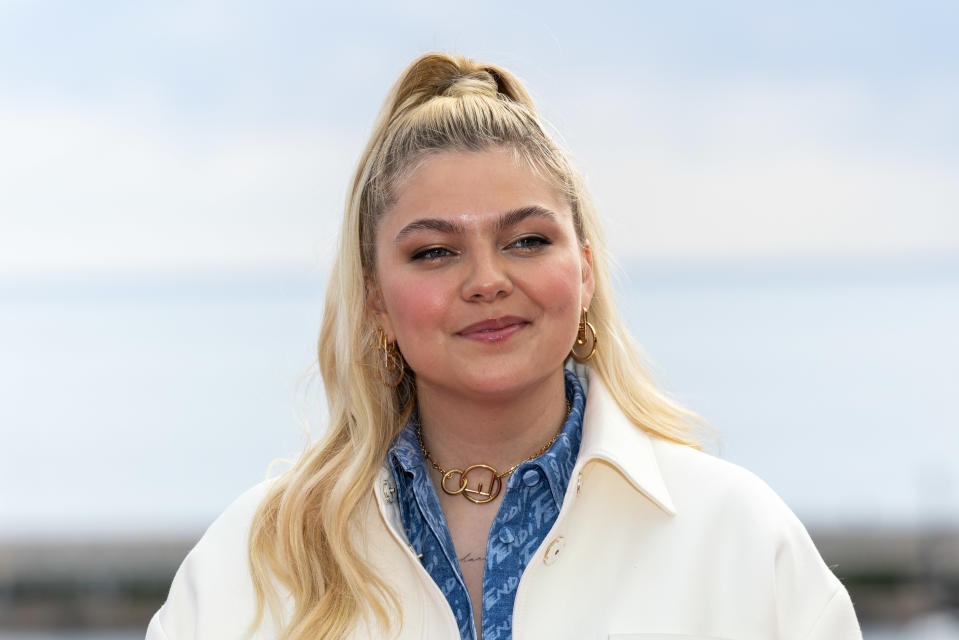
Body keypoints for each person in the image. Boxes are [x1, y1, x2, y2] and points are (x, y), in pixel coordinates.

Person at [147, 53, 863, 640]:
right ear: (375, 302)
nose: (487, 281)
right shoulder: (251, 559)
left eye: (526, 240)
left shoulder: (735, 538)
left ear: (583, 272)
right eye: (433, 252)